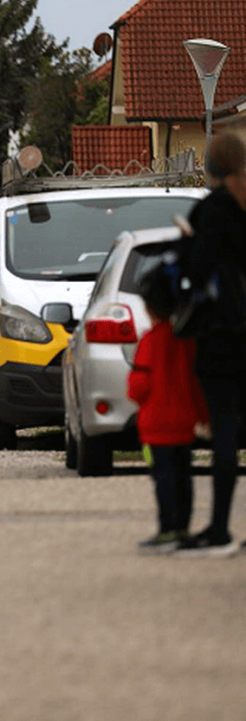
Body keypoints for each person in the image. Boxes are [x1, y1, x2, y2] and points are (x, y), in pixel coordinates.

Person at [177, 132, 246, 555]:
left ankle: (219, 528)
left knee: (224, 430)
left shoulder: (211, 211)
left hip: (223, 335)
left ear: (211, 168)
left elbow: (196, 271)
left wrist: (185, 243)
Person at [128, 264, 209, 553]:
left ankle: (167, 529)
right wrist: (203, 416)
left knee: (163, 480)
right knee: (184, 478)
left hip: (156, 425)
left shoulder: (150, 340)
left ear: (149, 308)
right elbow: (197, 384)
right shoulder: (187, 340)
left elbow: (139, 385)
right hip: (184, 424)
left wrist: (136, 396)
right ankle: (185, 528)